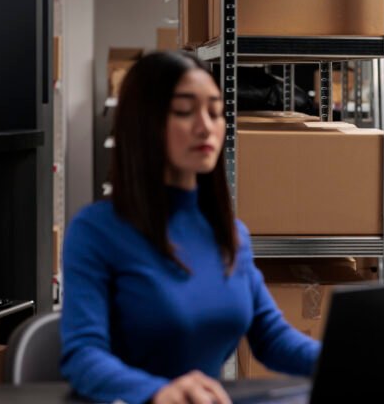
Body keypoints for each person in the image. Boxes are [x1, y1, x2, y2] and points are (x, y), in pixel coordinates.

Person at [60, 52, 320, 404]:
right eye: (185, 111)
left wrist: (352, 359)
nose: (205, 126)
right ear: (144, 123)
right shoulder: (96, 232)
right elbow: (82, 356)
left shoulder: (231, 234)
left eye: (215, 112)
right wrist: (156, 392)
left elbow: (272, 338)